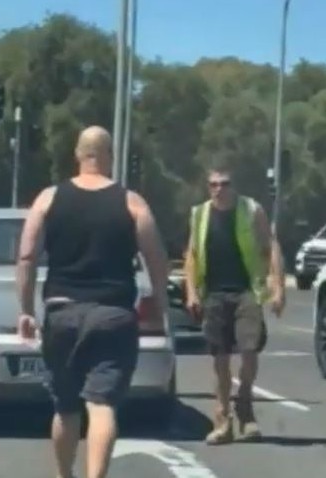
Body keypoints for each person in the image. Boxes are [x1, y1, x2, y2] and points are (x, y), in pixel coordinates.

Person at [16, 125, 169, 478]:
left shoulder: (48, 198)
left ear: (78, 155)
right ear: (109, 157)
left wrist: (25, 310)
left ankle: (63, 475)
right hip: (113, 315)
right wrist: (160, 301)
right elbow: (157, 258)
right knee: (102, 407)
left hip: (61, 311)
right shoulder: (132, 202)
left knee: (66, 407)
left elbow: (26, 256)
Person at [184, 162, 285, 445]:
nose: (219, 190)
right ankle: (222, 418)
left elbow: (270, 247)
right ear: (208, 187)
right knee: (220, 360)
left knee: (249, 351)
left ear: (234, 186)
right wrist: (191, 292)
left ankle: (245, 406)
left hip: (246, 292)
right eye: (214, 184)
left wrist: (278, 289)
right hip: (214, 294)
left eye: (225, 184)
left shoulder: (251, 210)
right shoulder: (200, 214)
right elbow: (191, 254)